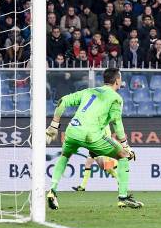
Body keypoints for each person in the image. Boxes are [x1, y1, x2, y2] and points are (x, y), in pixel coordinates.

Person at [45, 68, 142, 209]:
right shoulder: (116, 98)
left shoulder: (88, 91)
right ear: (117, 80)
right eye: (120, 78)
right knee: (124, 155)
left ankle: (52, 190)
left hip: (72, 131)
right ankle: (123, 197)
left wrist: (54, 126)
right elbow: (117, 123)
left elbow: (62, 101)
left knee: (65, 156)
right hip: (91, 136)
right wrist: (126, 145)